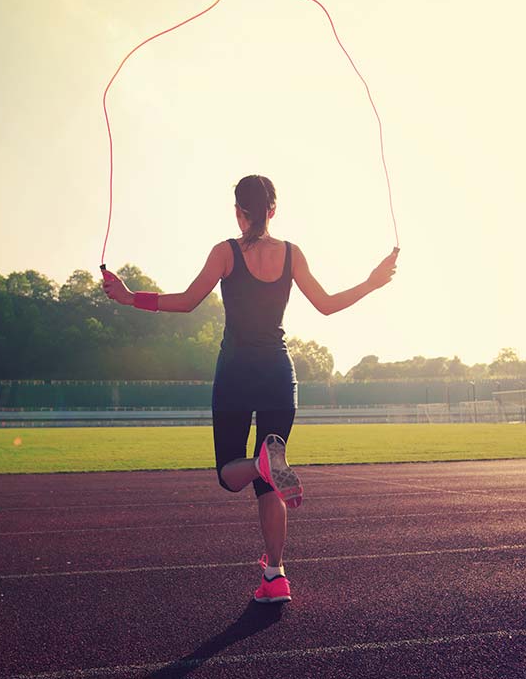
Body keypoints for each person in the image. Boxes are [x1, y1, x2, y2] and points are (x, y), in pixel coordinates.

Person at [102, 174, 398, 603]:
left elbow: (186, 301)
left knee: (229, 474)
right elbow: (328, 305)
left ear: (238, 212)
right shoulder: (292, 254)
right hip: (280, 374)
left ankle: (261, 467)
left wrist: (132, 298)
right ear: (273, 211)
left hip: (237, 373)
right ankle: (275, 575)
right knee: (271, 483)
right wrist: (372, 281)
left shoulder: (226, 252)